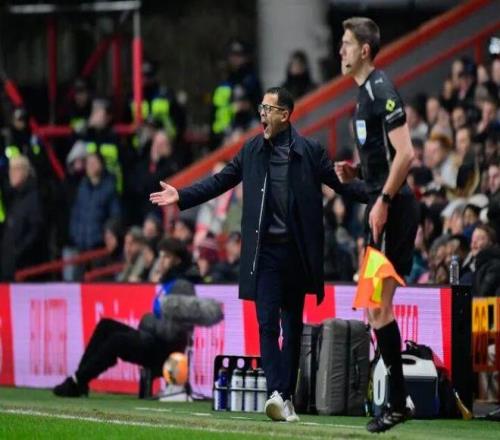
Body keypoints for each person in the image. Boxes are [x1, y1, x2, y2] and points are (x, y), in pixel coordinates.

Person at [150, 86, 366, 422]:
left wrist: (384, 194)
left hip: (296, 253)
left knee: (291, 327)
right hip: (264, 254)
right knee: (266, 324)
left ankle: (286, 397)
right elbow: (220, 181)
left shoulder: (310, 152)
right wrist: (182, 196)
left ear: (285, 115)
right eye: (261, 108)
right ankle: (278, 393)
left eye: (268, 109)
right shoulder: (251, 150)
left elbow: (343, 186)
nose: (262, 114)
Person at [335, 17, 419, 433]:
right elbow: (384, 157)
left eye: (347, 44)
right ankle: (400, 401)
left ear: (365, 50)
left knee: (378, 307)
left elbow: (406, 154)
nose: (341, 51)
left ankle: (399, 403)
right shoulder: (363, 94)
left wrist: (383, 200)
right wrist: (358, 172)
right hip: (380, 204)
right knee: (374, 307)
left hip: (393, 208)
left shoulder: (380, 90)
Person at [53, 237, 196, 397]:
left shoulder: (182, 286)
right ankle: (79, 380)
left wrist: (149, 321)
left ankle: (77, 381)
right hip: (152, 340)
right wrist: (151, 323)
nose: (161, 262)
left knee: (117, 341)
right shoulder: (169, 283)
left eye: (166, 257)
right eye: (160, 256)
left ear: (177, 260)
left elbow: (174, 331)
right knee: (106, 326)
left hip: (164, 351)